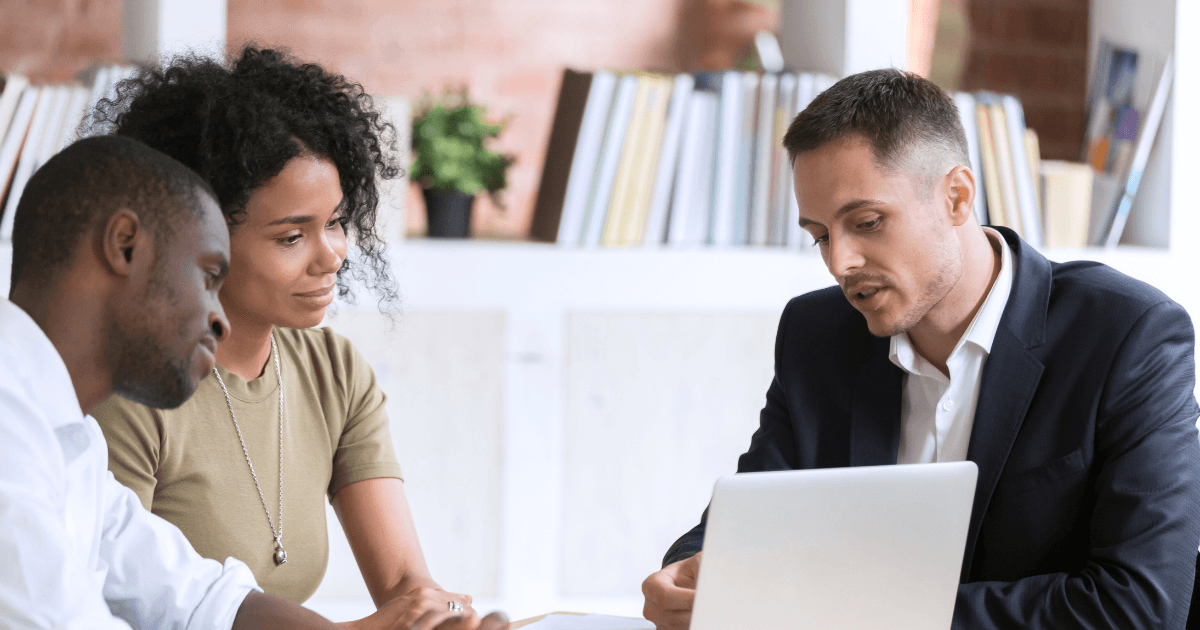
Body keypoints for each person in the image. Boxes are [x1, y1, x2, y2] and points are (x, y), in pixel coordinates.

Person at [641, 69, 1200, 629]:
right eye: (820, 235)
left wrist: (862, 615)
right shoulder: (816, 336)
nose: (841, 263)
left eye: (866, 222)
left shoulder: (1129, 336)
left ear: (956, 197)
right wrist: (687, 576)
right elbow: (746, 522)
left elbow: (1141, 608)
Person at [0, 135, 506, 630]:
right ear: (125, 245)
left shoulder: (71, 440)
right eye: (206, 277)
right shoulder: (10, 420)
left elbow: (200, 598)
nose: (218, 320)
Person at [85, 46, 477, 628]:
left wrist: (441, 614)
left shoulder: (334, 371)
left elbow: (403, 584)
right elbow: (108, 610)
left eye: (337, 222)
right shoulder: (134, 391)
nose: (333, 256)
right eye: (293, 236)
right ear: (198, 237)